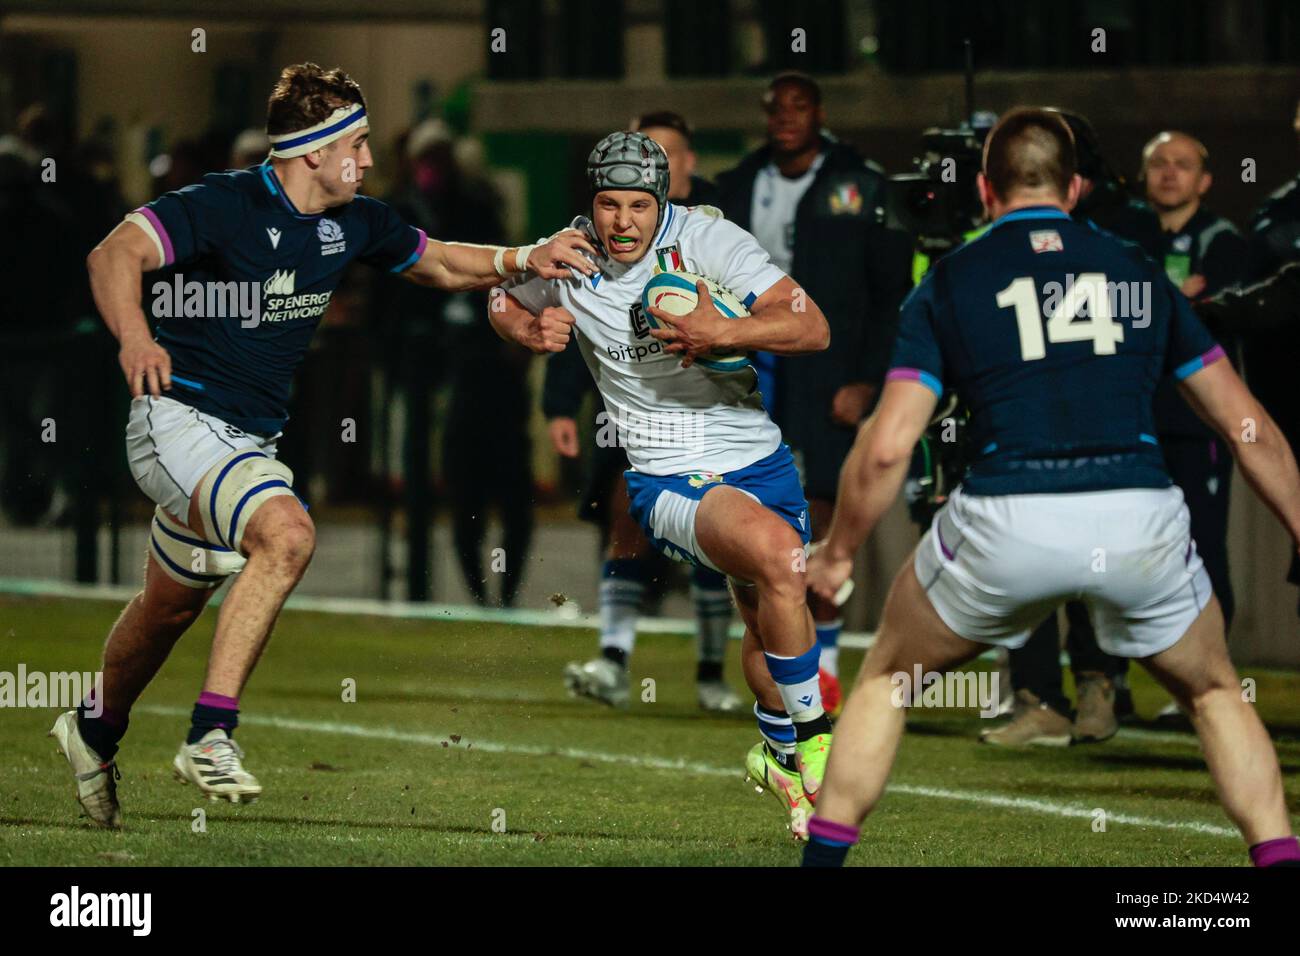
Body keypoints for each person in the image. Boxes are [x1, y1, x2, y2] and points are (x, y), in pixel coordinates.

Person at [48, 62, 595, 828]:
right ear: (315, 151)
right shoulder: (224, 203)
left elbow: (437, 260)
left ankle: (93, 727)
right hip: (174, 420)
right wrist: (136, 338)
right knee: (288, 535)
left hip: (243, 442)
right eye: (358, 143)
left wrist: (521, 258)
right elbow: (112, 256)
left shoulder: (358, 221)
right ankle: (211, 733)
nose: (368, 159)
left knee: (168, 610)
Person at [801, 108, 1300, 867]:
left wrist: (837, 555)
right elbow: (1246, 425)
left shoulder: (952, 277)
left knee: (886, 683)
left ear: (982, 189)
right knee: (1215, 694)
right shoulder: (1137, 267)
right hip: (1138, 514)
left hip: (1010, 517)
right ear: (1073, 187)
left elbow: (887, 447)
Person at [491, 131, 833, 838]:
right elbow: (499, 297)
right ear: (592, 203)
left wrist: (726, 331)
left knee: (771, 611)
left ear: (664, 200)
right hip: (666, 475)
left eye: (638, 205)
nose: (622, 222)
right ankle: (821, 745)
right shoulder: (568, 252)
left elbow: (814, 327)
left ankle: (776, 756)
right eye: (608, 204)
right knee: (777, 557)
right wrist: (525, 327)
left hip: (761, 462)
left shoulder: (709, 239)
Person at [715, 72, 912, 715]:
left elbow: (890, 297)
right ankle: (756, 655)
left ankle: (821, 665)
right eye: (775, 108)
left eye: (799, 107)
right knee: (743, 507)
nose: (786, 118)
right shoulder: (738, 184)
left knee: (820, 510)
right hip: (749, 368)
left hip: (828, 373)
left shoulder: (864, 185)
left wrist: (867, 379)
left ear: (819, 114)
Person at [548, 112, 740, 711]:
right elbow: (561, 305)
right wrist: (558, 401)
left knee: (717, 528)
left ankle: (711, 672)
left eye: (661, 152)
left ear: (686, 163)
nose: (646, 162)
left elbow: (762, 304)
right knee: (625, 517)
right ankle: (613, 659)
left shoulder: (718, 223)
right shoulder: (598, 230)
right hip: (625, 405)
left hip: (709, 404)